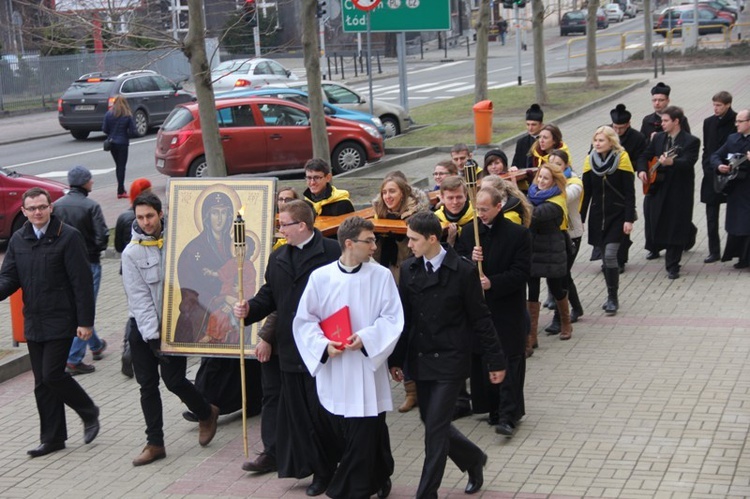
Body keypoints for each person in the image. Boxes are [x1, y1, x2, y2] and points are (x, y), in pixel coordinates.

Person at [389, 211, 506, 498]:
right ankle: (473, 459)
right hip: (422, 359)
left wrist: (495, 360)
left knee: (435, 430)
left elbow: (481, 318)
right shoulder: (410, 269)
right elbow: (405, 320)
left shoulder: (463, 271)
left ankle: (426, 493)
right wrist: (396, 360)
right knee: (432, 422)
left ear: (432, 239)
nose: (409, 243)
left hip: (452, 360)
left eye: (414, 239)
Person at [233, 200, 341, 496]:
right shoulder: (279, 256)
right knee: (300, 416)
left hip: (324, 347)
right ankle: (317, 470)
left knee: (324, 415)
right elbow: (271, 294)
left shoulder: (332, 253)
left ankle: (334, 466)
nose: (279, 229)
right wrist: (249, 309)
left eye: (284, 224)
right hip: (291, 350)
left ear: (302, 226)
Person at [293, 216, 404, 499]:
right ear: (349, 244)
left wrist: (366, 338)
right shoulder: (321, 277)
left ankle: (349, 491)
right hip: (336, 367)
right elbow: (305, 321)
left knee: (366, 430)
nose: (375, 246)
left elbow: (393, 317)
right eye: (370, 241)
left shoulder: (381, 276)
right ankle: (380, 475)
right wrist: (323, 345)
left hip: (367, 367)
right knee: (354, 432)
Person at [0, 187, 100, 458]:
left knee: (53, 374)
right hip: (34, 320)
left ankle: (88, 410)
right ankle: (53, 438)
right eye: (31, 209)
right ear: (23, 212)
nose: (37, 212)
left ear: (50, 207)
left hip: (62, 318)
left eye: (41, 207)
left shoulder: (68, 237)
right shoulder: (19, 240)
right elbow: (9, 278)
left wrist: (85, 321)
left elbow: (82, 283)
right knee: (42, 383)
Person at [122, 192, 220, 466]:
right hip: (143, 328)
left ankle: (205, 412)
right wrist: (152, 336)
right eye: (140, 217)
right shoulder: (131, 252)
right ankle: (155, 443)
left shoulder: (178, 241)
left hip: (175, 324)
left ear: (160, 214)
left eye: (150, 216)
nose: (145, 222)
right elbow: (138, 297)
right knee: (147, 386)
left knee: (174, 380)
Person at [456, 187, 531, 438]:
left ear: (499, 207)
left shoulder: (518, 234)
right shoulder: (469, 232)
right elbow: (458, 267)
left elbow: (522, 273)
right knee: (485, 361)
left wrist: (493, 283)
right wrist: (469, 257)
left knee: (510, 360)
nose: (481, 214)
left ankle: (509, 414)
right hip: (481, 311)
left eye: (485, 210)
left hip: (508, 310)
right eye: (478, 209)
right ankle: (494, 409)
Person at [52, 166, 109, 376]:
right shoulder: (91, 206)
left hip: (63, 265)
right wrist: (95, 250)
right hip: (89, 263)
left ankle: (95, 345)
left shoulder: (57, 206)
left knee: (77, 306)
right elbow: (101, 236)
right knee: (85, 307)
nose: (92, 182)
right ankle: (74, 358)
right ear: (84, 182)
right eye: (90, 179)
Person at [636, 106, 700, 279]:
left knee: (676, 225)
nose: (661, 124)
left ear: (676, 121)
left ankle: (673, 265)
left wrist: (672, 162)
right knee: (658, 221)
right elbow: (644, 156)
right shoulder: (658, 139)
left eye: (665, 121)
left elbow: (688, 162)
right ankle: (680, 238)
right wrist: (641, 170)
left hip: (679, 191)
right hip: (658, 188)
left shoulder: (691, 141)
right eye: (661, 121)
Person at [581, 127, 636, 316]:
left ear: (611, 142)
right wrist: (580, 218)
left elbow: (630, 192)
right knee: (605, 258)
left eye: (601, 140)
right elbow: (586, 193)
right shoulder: (590, 160)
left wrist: (629, 219)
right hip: (598, 217)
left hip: (617, 215)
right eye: (595, 140)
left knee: (611, 254)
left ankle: (613, 297)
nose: (597, 143)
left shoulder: (622, 158)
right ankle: (609, 293)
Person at [525, 163, 571, 355]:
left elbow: (533, 216)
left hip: (552, 250)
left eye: (546, 178)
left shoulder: (557, 202)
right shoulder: (531, 195)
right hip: (533, 250)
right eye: (539, 177)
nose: (541, 181)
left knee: (556, 288)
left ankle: (566, 322)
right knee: (532, 291)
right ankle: (531, 337)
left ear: (554, 181)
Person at [114, 178, 152, 378]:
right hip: (146, 268)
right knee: (146, 307)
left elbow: (119, 247)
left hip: (127, 271)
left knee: (134, 310)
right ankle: (137, 350)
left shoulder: (122, 217)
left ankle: (128, 348)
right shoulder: (150, 217)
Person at [544, 149, 585, 331]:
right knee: (563, 275)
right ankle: (575, 308)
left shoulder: (574, 183)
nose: (555, 168)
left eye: (558, 165)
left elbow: (563, 198)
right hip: (554, 236)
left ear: (566, 166)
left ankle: (560, 318)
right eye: (551, 164)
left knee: (561, 275)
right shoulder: (544, 185)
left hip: (571, 235)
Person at [711, 108, 750, 269]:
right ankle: (741, 257)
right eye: (736, 121)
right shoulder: (733, 139)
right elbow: (715, 155)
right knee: (739, 223)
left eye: (740, 121)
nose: (736, 124)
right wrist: (719, 166)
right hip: (737, 188)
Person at [372, 174, 431, 280]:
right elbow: (375, 257)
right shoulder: (379, 215)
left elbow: (414, 254)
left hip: (411, 273)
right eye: (384, 193)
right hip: (386, 270)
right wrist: (375, 240)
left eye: (392, 191)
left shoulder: (416, 216)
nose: (387, 196)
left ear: (402, 193)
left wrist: (401, 239)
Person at [701, 91, 737, 264]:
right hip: (712, 172)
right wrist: (708, 167)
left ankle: (735, 249)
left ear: (728, 104)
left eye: (719, 105)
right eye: (714, 104)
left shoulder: (737, 121)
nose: (715, 108)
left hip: (733, 174)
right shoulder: (708, 122)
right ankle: (713, 251)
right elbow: (707, 148)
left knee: (735, 213)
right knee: (711, 215)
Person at [610, 103, 646, 271]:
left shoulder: (637, 138)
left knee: (625, 219)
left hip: (625, 183)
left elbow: (641, 157)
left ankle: (621, 259)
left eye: (621, 128)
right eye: (615, 127)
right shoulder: (605, 134)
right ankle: (606, 257)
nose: (617, 131)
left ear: (628, 124)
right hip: (607, 183)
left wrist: (640, 170)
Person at [102, 95, 137, 199]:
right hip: (123, 144)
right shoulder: (127, 115)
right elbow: (133, 131)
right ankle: (120, 190)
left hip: (112, 143)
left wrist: (111, 134)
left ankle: (121, 189)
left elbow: (104, 128)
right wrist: (126, 134)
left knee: (118, 166)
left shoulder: (108, 114)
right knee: (121, 167)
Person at [434, 176, 474, 247]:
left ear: (465, 195)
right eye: (450, 198)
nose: (455, 202)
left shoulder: (478, 216)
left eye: (459, 197)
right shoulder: (437, 220)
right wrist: (450, 241)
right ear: (442, 198)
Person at [511, 104, 544, 170]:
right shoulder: (521, 142)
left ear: (541, 125)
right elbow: (515, 164)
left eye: (534, 125)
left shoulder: (547, 140)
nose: (530, 128)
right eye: (528, 124)